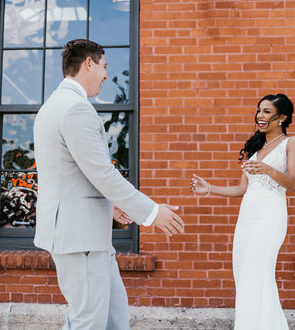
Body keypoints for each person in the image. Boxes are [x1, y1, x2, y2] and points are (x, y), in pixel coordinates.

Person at [33, 39, 184, 330]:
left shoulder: (52, 105)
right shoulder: (76, 109)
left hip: (85, 235)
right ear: (88, 63)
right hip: (82, 237)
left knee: (115, 319)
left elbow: (73, 173)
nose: (105, 75)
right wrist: (152, 212)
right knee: (87, 322)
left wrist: (111, 205)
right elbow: (102, 173)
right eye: (103, 66)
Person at [190, 94, 295, 330]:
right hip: (247, 218)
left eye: (266, 112)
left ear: (282, 117)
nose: (259, 117)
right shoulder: (257, 147)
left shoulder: (292, 143)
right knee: (245, 276)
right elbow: (242, 188)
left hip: (270, 216)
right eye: (259, 111)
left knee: (257, 273)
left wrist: (268, 170)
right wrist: (208, 189)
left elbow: (293, 183)